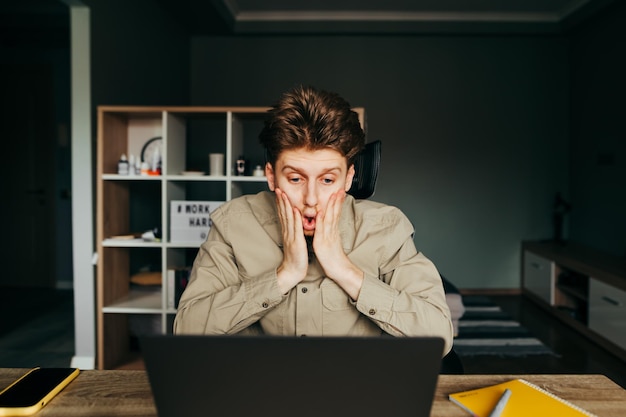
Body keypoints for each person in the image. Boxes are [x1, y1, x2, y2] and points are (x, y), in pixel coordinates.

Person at [173, 85, 454, 355]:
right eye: (295, 179)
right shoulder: (233, 225)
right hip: (259, 389)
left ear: (348, 178)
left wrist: (344, 269)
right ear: (271, 176)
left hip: (355, 389)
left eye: (328, 180)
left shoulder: (386, 228)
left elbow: (439, 337)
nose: (310, 199)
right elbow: (186, 332)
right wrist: (284, 275)